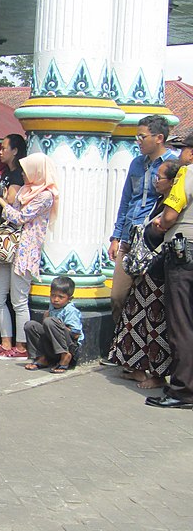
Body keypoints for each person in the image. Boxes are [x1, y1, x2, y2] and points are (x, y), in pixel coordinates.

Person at [107, 159, 181, 389]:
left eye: (160, 178)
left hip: (157, 269)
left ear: (172, 182)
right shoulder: (159, 200)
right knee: (135, 317)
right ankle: (138, 367)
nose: (156, 181)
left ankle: (158, 374)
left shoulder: (173, 203)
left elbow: (163, 226)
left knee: (156, 322)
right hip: (144, 269)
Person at [0, 152, 59, 361]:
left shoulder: (46, 195)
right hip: (9, 249)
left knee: (19, 301)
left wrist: (0, 201)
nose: (23, 175)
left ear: (37, 171)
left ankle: (21, 346)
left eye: (27, 171)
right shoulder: (26, 191)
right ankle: (6, 342)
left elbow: (20, 218)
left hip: (25, 251)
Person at [108, 115, 175, 324]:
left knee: (149, 297)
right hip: (129, 236)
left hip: (154, 240)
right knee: (117, 296)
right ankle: (120, 347)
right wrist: (116, 236)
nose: (138, 140)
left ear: (159, 138)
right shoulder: (136, 164)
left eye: (142, 136)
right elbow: (126, 199)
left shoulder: (174, 164)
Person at [145, 133, 193, 409]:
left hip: (184, 255)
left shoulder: (187, 173)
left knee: (182, 324)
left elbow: (171, 214)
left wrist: (157, 228)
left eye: (184, 148)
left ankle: (183, 391)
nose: (181, 154)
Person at [24, 276, 84, 374]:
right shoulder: (52, 306)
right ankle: (41, 357)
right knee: (30, 325)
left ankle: (65, 356)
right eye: (53, 295)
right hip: (51, 346)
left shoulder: (70, 310)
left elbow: (76, 334)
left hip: (68, 345)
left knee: (50, 321)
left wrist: (58, 326)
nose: (55, 299)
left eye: (61, 297)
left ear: (70, 298)